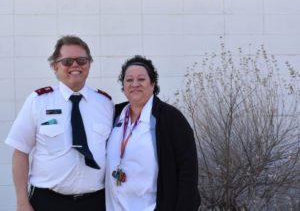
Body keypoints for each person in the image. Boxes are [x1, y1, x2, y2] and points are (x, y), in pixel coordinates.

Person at [5, 35, 114, 211]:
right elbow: (20, 152)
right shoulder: (38, 101)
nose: (75, 65)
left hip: (95, 202)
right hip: (48, 201)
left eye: (82, 60)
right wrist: (22, 202)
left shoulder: (105, 104)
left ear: (89, 64)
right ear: (55, 66)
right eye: (67, 61)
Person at [105, 55, 200, 211]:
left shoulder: (170, 118)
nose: (134, 84)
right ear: (123, 86)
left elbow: (187, 173)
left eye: (141, 79)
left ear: (153, 83)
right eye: (129, 80)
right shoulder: (114, 114)